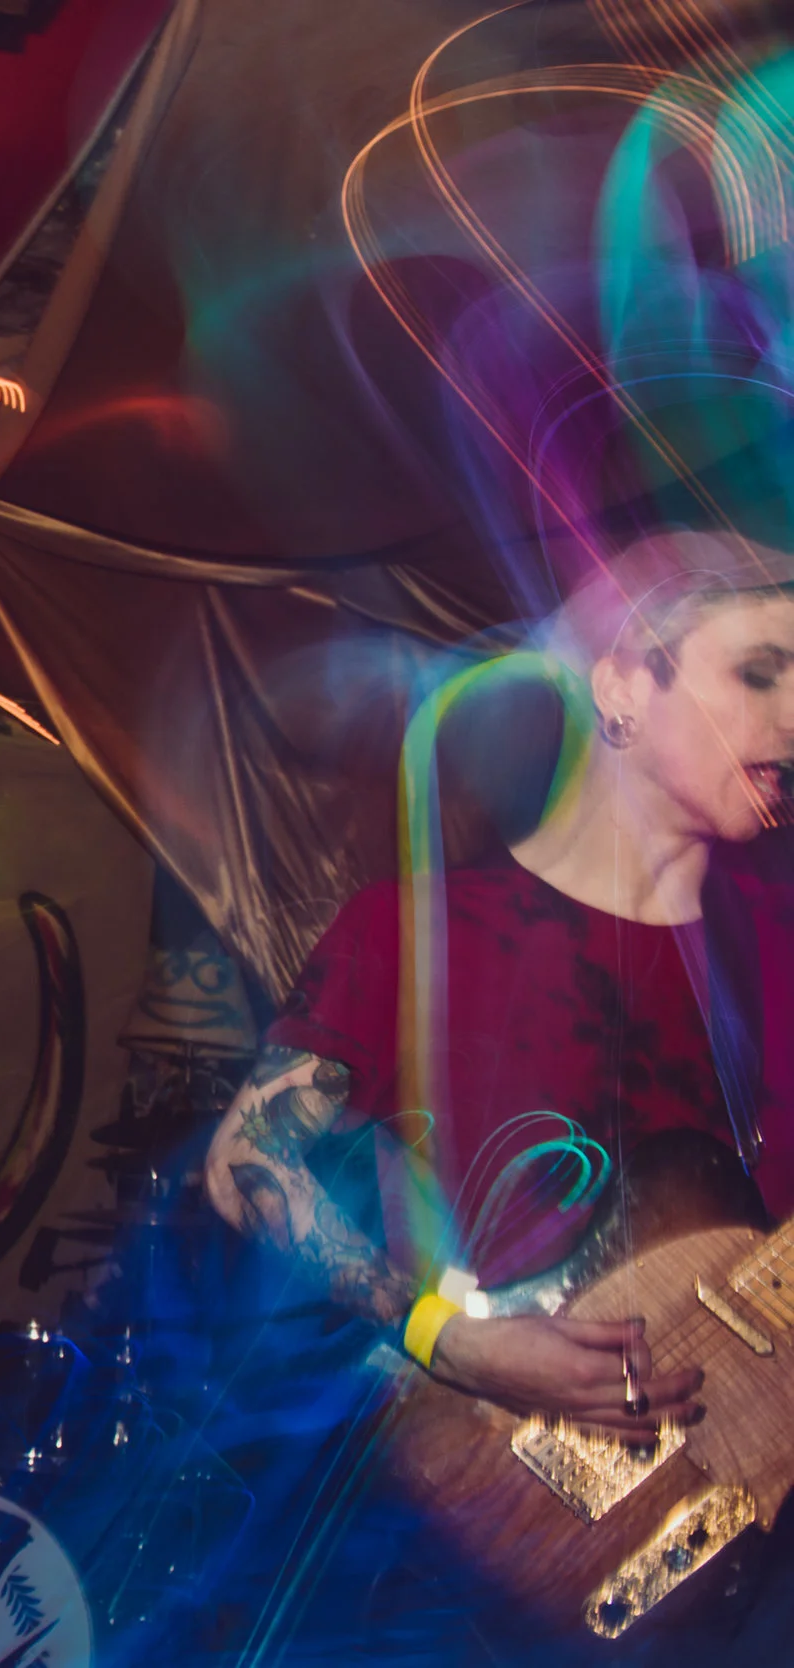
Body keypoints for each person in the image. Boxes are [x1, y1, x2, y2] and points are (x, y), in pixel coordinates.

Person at [204, 528, 794, 1439]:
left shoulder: (779, 947)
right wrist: (447, 1339)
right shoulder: (414, 930)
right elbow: (246, 1166)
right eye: (759, 675)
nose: (792, 719)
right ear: (622, 686)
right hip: (479, 1483)